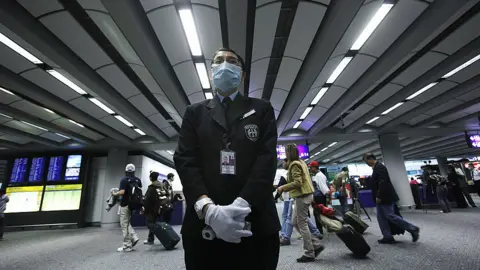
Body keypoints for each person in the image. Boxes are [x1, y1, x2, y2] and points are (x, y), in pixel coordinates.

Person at [174, 48, 280, 269]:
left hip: (256, 221)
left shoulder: (261, 109)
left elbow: (266, 160)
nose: (225, 65)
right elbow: (185, 160)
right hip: (203, 224)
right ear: (211, 73)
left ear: (241, 75)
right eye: (219, 61)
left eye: (232, 61)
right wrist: (208, 209)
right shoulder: (195, 113)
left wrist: (241, 205)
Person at [277, 144, 325, 263]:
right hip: (306, 195)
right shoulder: (301, 162)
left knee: (301, 224)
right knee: (294, 222)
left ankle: (309, 253)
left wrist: (283, 187)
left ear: (289, 153)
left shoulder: (294, 164)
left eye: (286, 153)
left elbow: (298, 182)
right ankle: (316, 245)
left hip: (302, 197)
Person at [363, 153, 420, 244]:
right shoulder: (376, 168)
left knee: (390, 215)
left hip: (384, 197)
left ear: (370, 159)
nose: (366, 163)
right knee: (381, 217)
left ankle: (413, 228)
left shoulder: (380, 167)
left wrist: (379, 196)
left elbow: (383, 183)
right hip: (380, 197)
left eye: (366, 161)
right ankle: (387, 236)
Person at [278, 159, 322, 246]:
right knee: (296, 220)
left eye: (284, 162)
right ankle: (315, 240)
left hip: (299, 197)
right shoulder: (299, 168)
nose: (283, 164)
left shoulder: (294, 167)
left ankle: (287, 237)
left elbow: (298, 182)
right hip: (297, 197)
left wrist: (283, 187)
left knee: (299, 221)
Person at [111, 164, 142, 252]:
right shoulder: (138, 180)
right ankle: (134, 237)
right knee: (127, 222)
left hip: (125, 204)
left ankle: (127, 245)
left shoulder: (124, 180)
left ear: (126, 171)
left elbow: (122, 192)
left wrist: (114, 193)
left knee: (124, 224)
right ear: (134, 171)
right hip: (134, 204)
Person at [143, 171, 164, 245]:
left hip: (152, 208)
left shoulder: (152, 187)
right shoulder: (161, 185)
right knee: (153, 222)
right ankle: (150, 239)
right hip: (159, 208)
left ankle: (162, 234)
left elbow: (147, 199)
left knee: (149, 223)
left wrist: (145, 208)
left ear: (151, 178)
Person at [309, 161, 330, 233]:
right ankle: (322, 229)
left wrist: (327, 197)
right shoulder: (317, 175)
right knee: (320, 214)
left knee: (318, 214)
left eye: (311, 167)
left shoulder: (319, 176)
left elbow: (323, 188)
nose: (310, 168)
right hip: (319, 197)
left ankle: (320, 230)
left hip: (320, 198)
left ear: (315, 167)